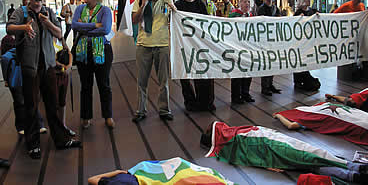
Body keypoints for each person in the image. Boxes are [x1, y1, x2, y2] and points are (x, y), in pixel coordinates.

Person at [7, 0, 81, 159]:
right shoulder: (21, 12)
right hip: (29, 67)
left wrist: (47, 22)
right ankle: (33, 145)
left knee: (53, 104)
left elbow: (59, 34)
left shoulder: (49, 12)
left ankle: (61, 140)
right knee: (31, 106)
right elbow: (9, 28)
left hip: (48, 66)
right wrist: (24, 27)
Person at [201, 121, 368, 184]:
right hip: (276, 146)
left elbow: (249, 156)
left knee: (311, 162)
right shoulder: (235, 137)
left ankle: (352, 174)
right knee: (312, 156)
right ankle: (352, 169)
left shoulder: (231, 146)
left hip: (275, 150)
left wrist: (267, 164)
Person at [131, 0, 176, 123]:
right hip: (144, 45)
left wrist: (174, 9)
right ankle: (140, 110)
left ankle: (164, 109)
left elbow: (176, 18)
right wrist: (144, 5)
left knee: (163, 80)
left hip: (162, 45)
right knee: (141, 81)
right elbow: (134, 20)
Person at [72, 0, 115, 129]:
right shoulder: (79, 9)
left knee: (104, 85)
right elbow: (74, 25)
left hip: (102, 51)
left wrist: (84, 29)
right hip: (83, 52)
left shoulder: (105, 11)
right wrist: (95, 25)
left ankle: (108, 116)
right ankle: (86, 117)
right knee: (85, 86)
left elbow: (106, 29)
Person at [175, 0, 215, 112]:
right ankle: (190, 101)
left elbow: (206, 20)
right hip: (184, 43)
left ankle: (204, 101)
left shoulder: (200, 4)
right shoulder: (178, 6)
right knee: (185, 75)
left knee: (200, 72)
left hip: (198, 43)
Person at [273, 90, 368, 145]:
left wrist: (279, 115)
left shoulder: (313, 117)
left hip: (357, 122)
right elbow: (349, 101)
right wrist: (333, 96)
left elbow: (291, 126)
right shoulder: (324, 109)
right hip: (359, 119)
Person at [0, 33, 47, 135]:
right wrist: (6, 79)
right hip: (14, 72)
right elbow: (4, 59)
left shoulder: (25, 35)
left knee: (29, 99)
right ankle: (23, 125)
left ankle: (37, 124)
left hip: (24, 71)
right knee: (19, 101)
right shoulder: (7, 40)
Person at [88, 157, 234, 185]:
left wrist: (117, 172)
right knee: (183, 168)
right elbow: (92, 179)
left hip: (140, 174)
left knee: (181, 166)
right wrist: (117, 171)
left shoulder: (113, 182)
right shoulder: (115, 180)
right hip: (139, 175)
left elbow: (91, 180)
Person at [228, 0, 255, 104]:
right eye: (244, 1)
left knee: (247, 71)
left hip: (248, 48)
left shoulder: (251, 16)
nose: (247, 4)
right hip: (237, 48)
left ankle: (245, 93)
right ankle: (236, 96)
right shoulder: (234, 15)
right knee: (237, 73)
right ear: (240, 3)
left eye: (248, 2)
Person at [257, 0, 282, 96]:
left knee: (273, 62)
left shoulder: (276, 8)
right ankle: (265, 87)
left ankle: (270, 84)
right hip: (265, 39)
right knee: (266, 63)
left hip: (274, 39)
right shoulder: (261, 9)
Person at [293, 0, 321, 91]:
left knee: (306, 60)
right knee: (299, 60)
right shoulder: (298, 12)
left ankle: (304, 78)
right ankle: (297, 81)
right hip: (300, 41)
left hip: (309, 41)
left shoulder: (313, 11)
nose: (309, 1)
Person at [55, 37, 75, 136]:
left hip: (63, 75)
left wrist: (70, 64)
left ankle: (63, 125)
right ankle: (57, 128)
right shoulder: (46, 38)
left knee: (62, 101)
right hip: (54, 74)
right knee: (54, 102)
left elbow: (69, 52)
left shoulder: (59, 37)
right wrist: (63, 66)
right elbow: (50, 58)